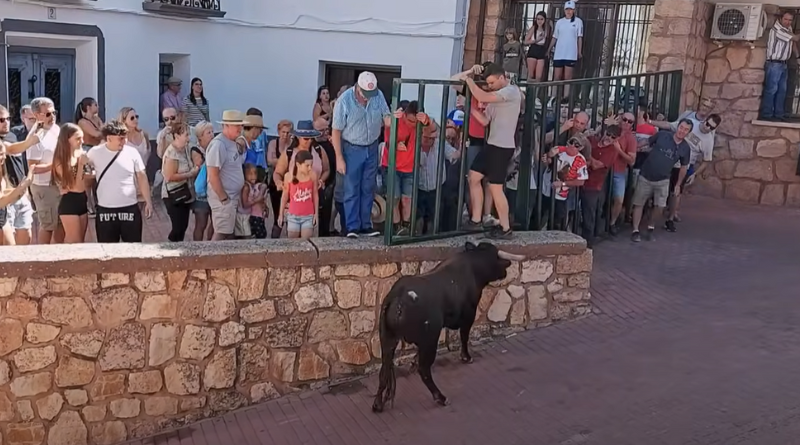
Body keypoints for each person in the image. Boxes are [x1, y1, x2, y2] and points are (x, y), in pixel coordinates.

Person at [458, 63, 522, 239]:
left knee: (495, 188)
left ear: (502, 78)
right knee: (474, 177)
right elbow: (485, 120)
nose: (490, 86)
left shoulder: (510, 91)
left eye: (492, 82)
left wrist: (469, 81)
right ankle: (476, 220)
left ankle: (505, 228)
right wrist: (468, 107)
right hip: (492, 144)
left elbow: (482, 95)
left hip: (502, 147)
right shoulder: (498, 96)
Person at [331, 71, 391, 238]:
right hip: (352, 148)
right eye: (366, 94)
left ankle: (366, 225)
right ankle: (352, 227)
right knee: (351, 188)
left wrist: (395, 118)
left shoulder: (377, 95)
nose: (368, 98)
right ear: (358, 88)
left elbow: (386, 118)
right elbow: (336, 131)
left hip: (371, 146)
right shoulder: (344, 101)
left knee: (368, 187)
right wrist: (339, 158)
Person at [87, 120, 153, 243]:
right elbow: (85, 174)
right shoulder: (94, 153)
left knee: (133, 248)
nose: (124, 142)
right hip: (105, 209)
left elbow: (142, 177)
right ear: (109, 138)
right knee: (107, 250)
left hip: (130, 208)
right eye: (121, 139)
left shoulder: (132, 152)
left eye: (125, 138)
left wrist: (148, 201)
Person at [630, 119, 692, 243]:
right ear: (677, 127)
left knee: (660, 206)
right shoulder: (663, 135)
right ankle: (635, 230)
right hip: (646, 175)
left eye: (686, 130)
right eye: (681, 127)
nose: (682, 131)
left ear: (688, 133)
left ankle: (650, 227)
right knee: (639, 203)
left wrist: (678, 185)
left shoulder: (685, 148)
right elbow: (646, 142)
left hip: (664, 179)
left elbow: (684, 168)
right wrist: (632, 148)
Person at [27, 97, 64, 244]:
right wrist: (54, 165)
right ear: (37, 115)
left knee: (60, 223)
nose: (53, 117)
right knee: (48, 225)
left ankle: (59, 256)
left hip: (59, 183)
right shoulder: (35, 137)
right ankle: (42, 260)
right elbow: (32, 168)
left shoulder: (56, 129)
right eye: (48, 114)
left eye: (54, 112)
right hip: (44, 187)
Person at [206, 110, 246, 241]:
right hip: (224, 198)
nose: (240, 129)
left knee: (227, 232)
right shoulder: (219, 145)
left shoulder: (231, 142)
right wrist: (224, 198)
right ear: (226, 126)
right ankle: (210, 259)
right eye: (237, 126)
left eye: (241, 125)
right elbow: (213, 175)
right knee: (221, 232)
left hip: (232, 197)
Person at [50, 123, 90, 243]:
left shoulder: (80, 154)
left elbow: (86, 182)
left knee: (80, 241)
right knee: (74, 242)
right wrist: (81, 165)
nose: (82, 141)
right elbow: (76, 187)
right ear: (67, 140)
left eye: (82, 138)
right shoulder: (60, 160)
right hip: (69, 203)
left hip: (82, 200)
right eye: (78, 138)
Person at [581, 126, 621, 247]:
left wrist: (586, 154)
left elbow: (597, 165)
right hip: (578, 179)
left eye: (613, 137)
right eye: (608, 134)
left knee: (589, 216)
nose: (609, 138)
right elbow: (579, 140)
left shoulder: (612, 151)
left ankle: (588, 244)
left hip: (592, 185)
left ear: (616, 139)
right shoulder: (592, 140)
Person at [760, 11, 800, 122]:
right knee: (771, 90)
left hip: (783, 64)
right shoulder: (777, 30)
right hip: (774, 64)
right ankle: (767, 115)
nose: (788, 22)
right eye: (786, 19)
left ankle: (778, 114)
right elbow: (795, 39)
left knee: (782, 91)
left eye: (790, 20)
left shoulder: (789, 29)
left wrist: (797, 57)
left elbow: (793, 44)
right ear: (781, 19)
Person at [161, 122, 198, 242]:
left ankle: (177, 250)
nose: (188, 138)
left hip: (185, 192)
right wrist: (190, 174)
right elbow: (169, 176)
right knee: (178, 227)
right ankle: (169, 248)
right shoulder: (172, 153)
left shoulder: (185, 149)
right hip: (173, 194)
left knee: (183, 226)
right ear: (177, 135)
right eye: (186, 135)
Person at [278, 150, 318, 239]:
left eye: (311, 165)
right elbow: (284, 196)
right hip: (293, 215)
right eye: (307, 166)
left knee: (306, 242)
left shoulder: (313, 176)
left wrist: (316, 214)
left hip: (308, 215)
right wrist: (280, 214)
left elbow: (315, 195)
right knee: (293, 244)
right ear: (298, 164)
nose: (309, 168)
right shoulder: (288, 177)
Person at [549, 1, 583, 97]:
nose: (569, 11)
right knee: (557, 76)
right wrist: (549, 49)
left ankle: (565, 97)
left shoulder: (578, 22)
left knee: (568, 77)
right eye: (567, 9)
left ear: (574, 10)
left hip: (571, 53)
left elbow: (579, 37)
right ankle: (553, 96)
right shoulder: (560, 22)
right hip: (559, 53)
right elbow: (555, 37)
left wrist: (579, 51)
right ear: (564, 10)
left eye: (571, 9)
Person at [240, 163, 268, 239]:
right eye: (250, 174)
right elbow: (245, 204)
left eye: (255, 173)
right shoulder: (246, 187)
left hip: (258, 215)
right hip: (253, 216)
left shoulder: (254, 186)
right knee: (257, 236)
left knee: (261, 235)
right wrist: (257, 200)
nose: (253, 176)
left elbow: (264, 186)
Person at [524, 11, 551, 82]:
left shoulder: (546, 29)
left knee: (539, 76)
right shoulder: (533, 28)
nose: (539, 21)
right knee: (531, 74)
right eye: (538, 19)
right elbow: (525, 41)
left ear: (544, 20)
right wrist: (537, 40)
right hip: (534, 48)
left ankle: (536, 91)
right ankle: (529, 91)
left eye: (541, 19)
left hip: (541, 50)